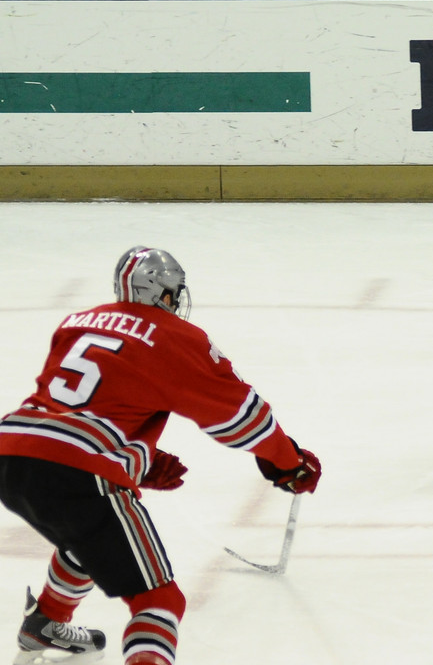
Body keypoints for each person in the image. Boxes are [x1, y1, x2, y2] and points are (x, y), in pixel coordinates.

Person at [0, 247, 322, 665]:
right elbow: (243, 418)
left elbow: (83, 409)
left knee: (88, 538)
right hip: (78, 470)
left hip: (11, 453)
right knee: (159, 600)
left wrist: (139, 461)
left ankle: (47, 621)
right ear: (163, 293)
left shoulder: (77, 322)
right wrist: (287, 462)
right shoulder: (175, 336)